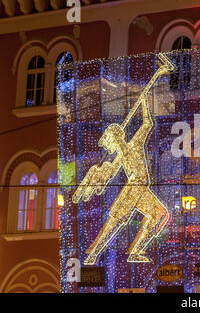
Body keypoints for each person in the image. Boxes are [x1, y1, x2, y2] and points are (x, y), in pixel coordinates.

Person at [72, 54, 175, 265]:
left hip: (141, 188)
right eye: (114, 139)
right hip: (134, 188)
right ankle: (93, 254)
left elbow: (147, 124)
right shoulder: (122, 152)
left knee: (159, 215)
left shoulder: (134, 144)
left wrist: (145, 102)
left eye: (113, 139)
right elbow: (107, 175)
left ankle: (133, 251)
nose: (113, 142)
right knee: (113, 223)